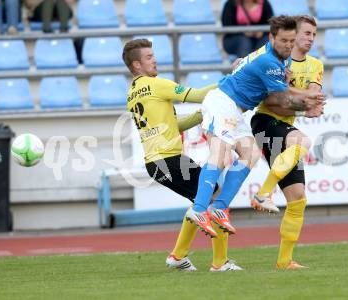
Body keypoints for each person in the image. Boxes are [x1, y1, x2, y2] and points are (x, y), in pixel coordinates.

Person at [185, 15, 325, 238]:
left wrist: (307, 98)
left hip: (236, 110)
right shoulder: (269, 62)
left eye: (292, 41)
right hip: (223, 102)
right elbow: (282, 99)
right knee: (219, 155)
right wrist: (308, 103)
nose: (289, 45)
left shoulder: (281, 59)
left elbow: (284, 88)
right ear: (271, 37)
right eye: (284, 41)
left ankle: (219, 207)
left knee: (249, 154)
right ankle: (199, 209)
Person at [122, 39, 242, 272]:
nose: (154, 59)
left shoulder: (133, 93)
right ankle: (219, 263)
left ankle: (178, 256)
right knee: (215, 197)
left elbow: (173, 124)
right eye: (148, 57)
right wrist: (231, 78)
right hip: (168, 159)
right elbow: (197, 94)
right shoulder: (154, 84)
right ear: (136, 65)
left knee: (200, 202)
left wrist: (201, 114)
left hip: (156, 162)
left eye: (153, 55)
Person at [251, 15, 325, 270]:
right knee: (303, 141)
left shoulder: (315, 65)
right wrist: (304, 104)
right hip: (265, 121)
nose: (310, 39)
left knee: (298, 199)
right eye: (306, 33)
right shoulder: (274, 61)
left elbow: (313, 97)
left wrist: (311, 106)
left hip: (286, 124)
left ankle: (284, 261)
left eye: (313, 35)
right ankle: (262, 193)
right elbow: (273, 102)